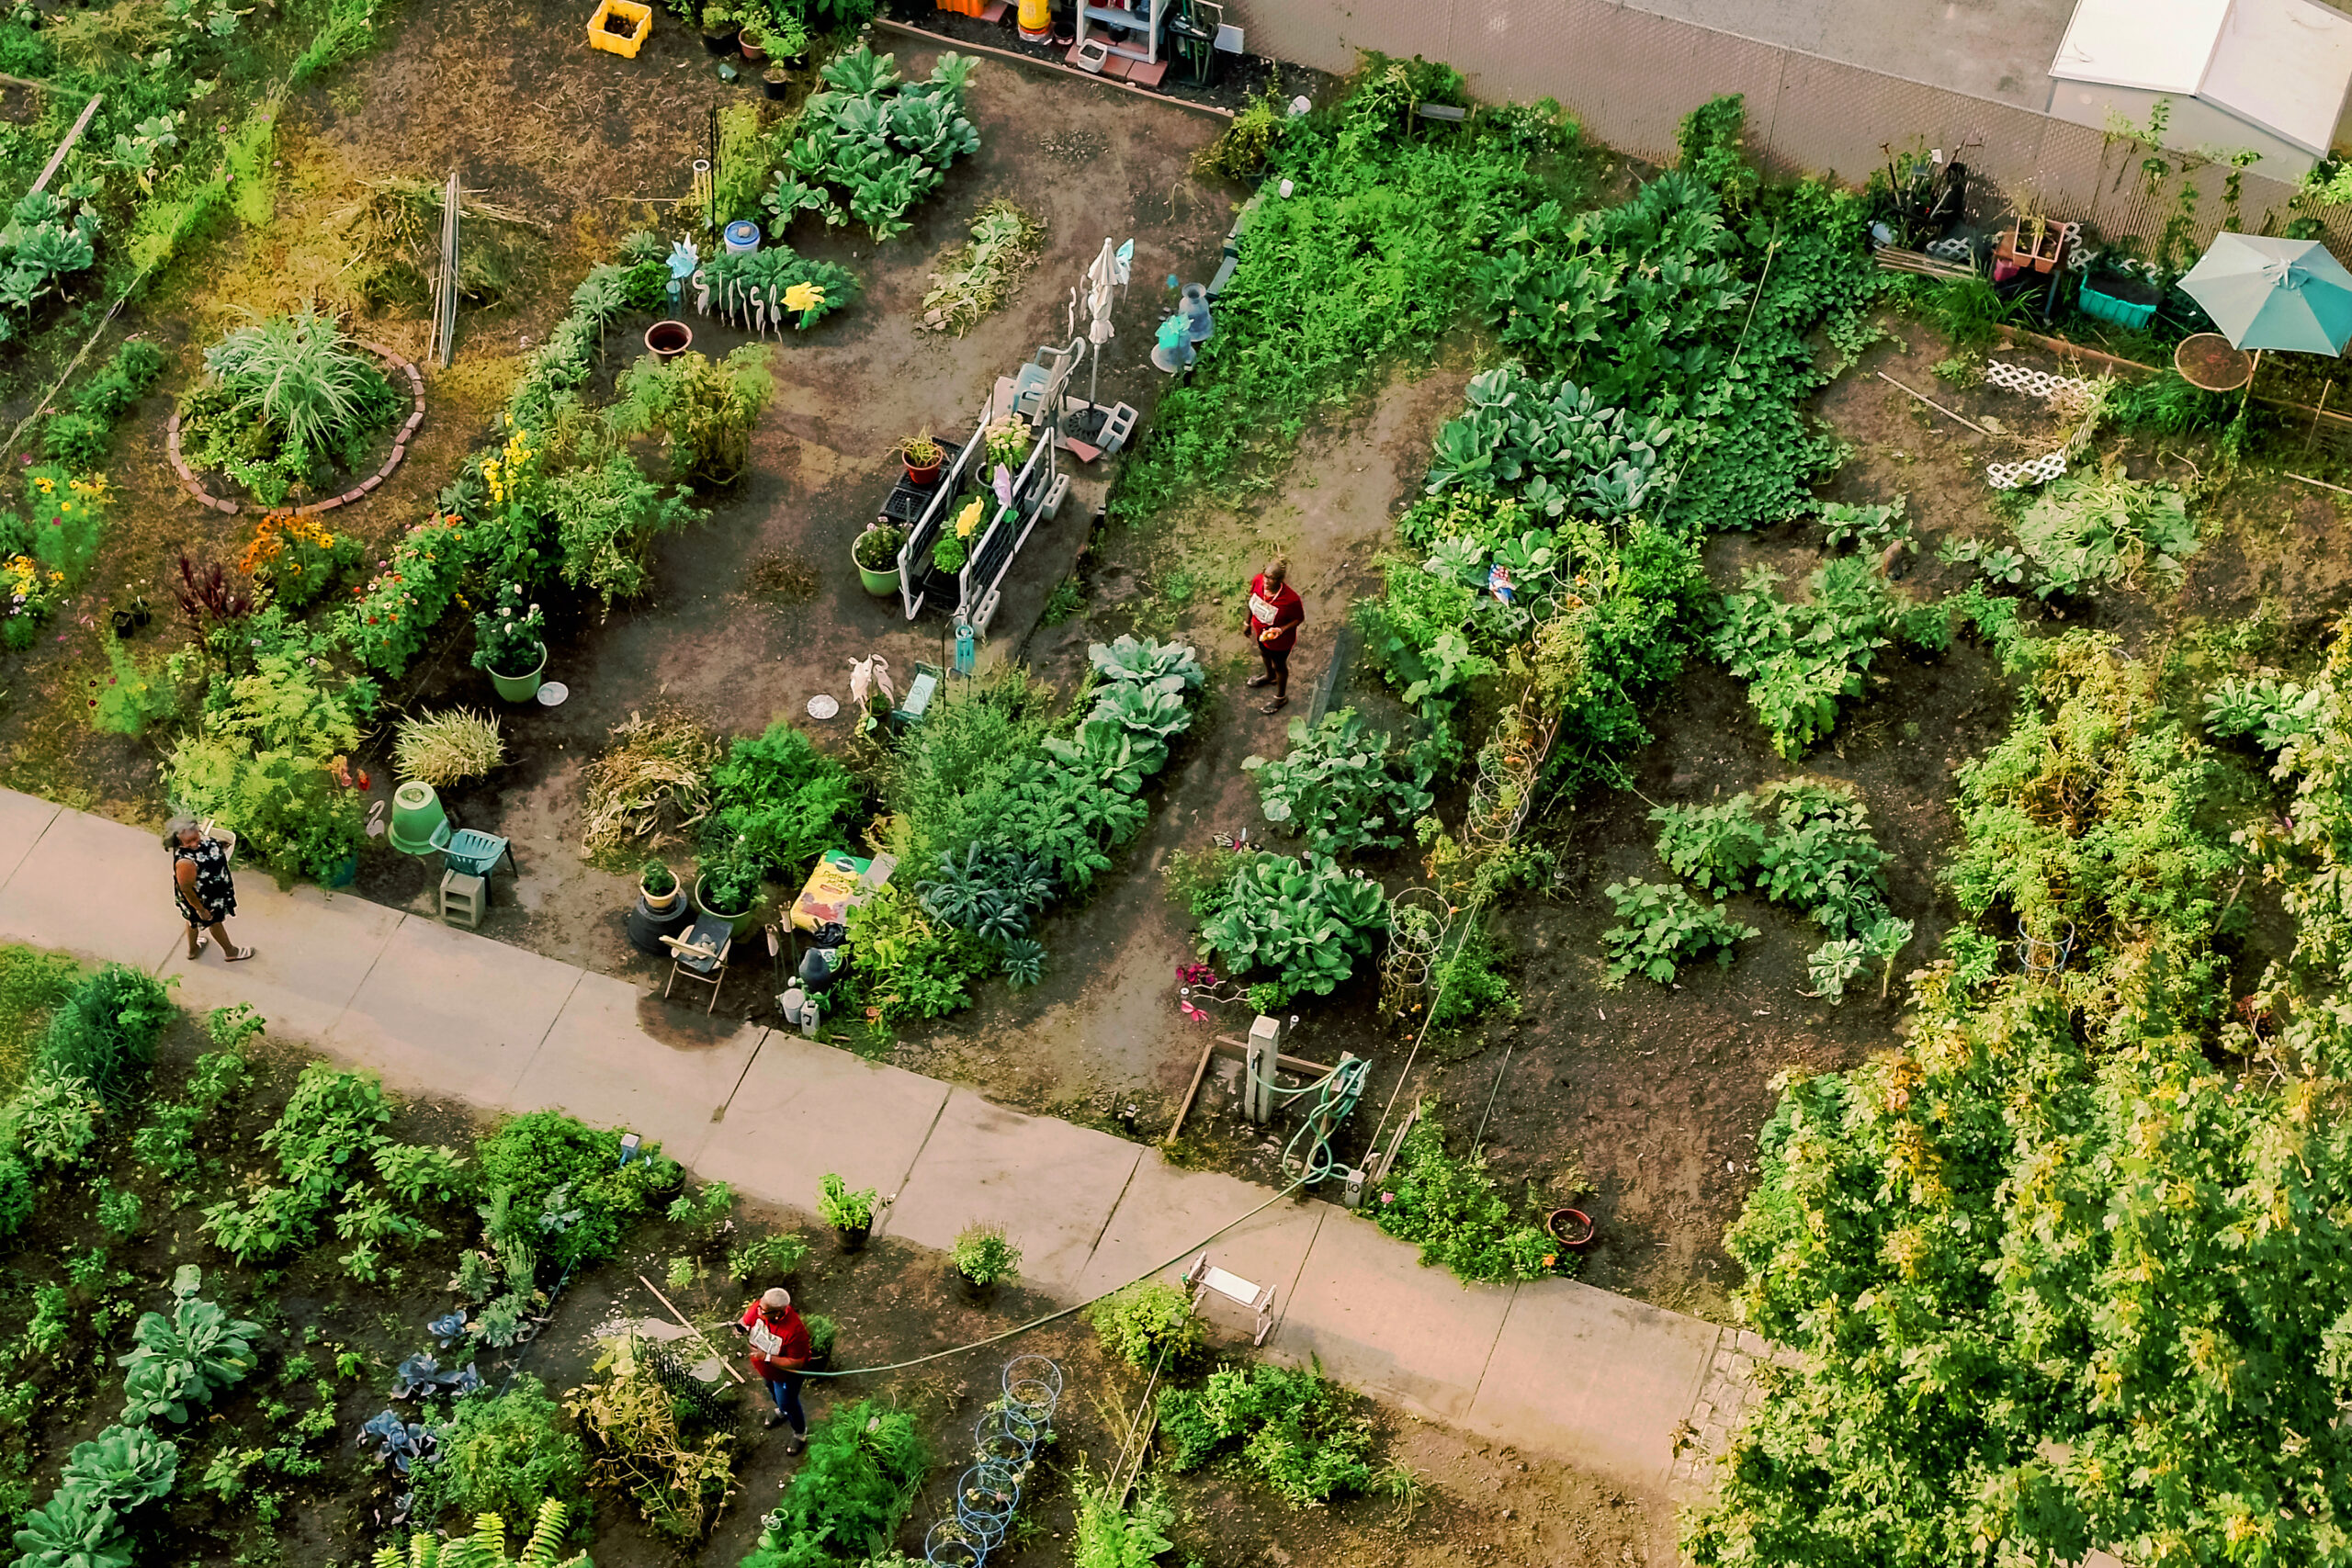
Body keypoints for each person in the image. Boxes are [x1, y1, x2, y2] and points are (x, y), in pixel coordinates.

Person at [732, 1286, 811, 1451]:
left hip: (786, 1376)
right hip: (766, 1369)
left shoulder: (795, 1331)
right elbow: (745, 1321)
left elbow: (796, 1362)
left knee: (789, 1402)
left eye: (764, 1311)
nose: (759, 1312)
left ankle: (800, 1433)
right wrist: (740, 1328)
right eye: (760, 1306)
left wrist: (766, 1357)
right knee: (771, 1390)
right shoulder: (761, 1307)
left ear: (778, 1313)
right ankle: (781, 1411)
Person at [164, 817, 253, 963]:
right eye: (188, 842)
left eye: (195, 837)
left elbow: (207, 853)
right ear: (179, 842)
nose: (194, 844)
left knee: (192, 921)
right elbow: (186, 889)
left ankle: (193, 950)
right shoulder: (185, 862)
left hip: (209, 893)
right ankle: (231, 952)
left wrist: (220, 847)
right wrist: (200, 909)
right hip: (203, 899)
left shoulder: (204, 842)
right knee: (215, 922)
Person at [1245, 556, 1304, 714]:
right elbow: (1252, 601)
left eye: (1271, 578)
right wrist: (1247, 622)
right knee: (1263, 653)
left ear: (1280, 580)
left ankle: (1281, 697)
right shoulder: (1258, 581)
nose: (1266, 581)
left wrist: (1281, 630)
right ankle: (1269, 676)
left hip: (1280, 642)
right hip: (1261, 633)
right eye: (1265, 576)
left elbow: (1299, 618)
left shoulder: (1291, 599)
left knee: (1279, 665)